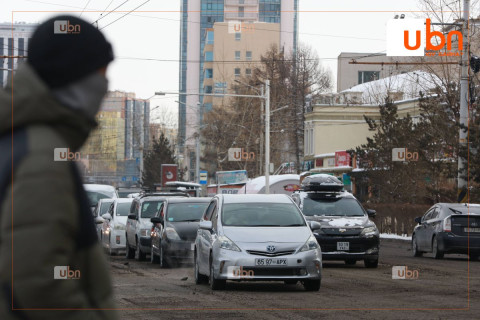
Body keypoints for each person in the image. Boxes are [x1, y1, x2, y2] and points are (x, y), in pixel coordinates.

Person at [0, 16, 117, 319]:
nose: (105, 85)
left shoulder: (20, 138)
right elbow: (39, 282)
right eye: (101, 73)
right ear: (75, 77)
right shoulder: (43, 156)